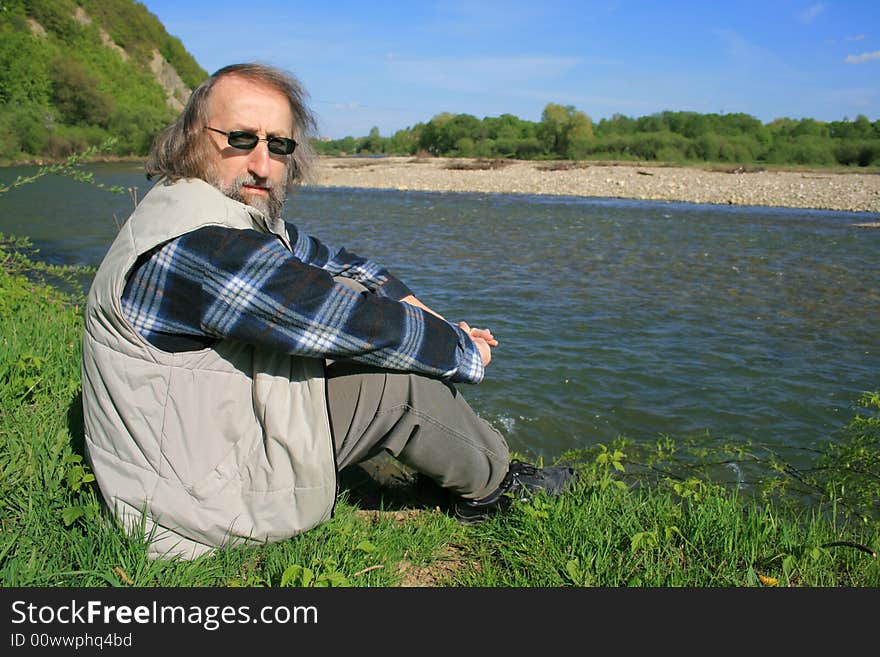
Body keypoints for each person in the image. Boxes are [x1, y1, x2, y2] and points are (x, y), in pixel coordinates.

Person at [81, 62, 575, 560]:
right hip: (194, 504)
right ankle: (495, 488)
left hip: (186, 458)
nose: (262, 164)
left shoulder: (198, 207)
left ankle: (446, 465)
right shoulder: (203, 247)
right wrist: (463, 349)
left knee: (369, 319)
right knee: (399, 382)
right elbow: (344, 320)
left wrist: (430, 317)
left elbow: (341, 265)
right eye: (240, 138)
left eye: (278, 145)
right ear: (192, 137)